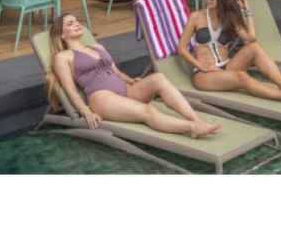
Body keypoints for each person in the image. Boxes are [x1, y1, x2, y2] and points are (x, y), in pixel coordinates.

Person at [46, 14, 221, 138]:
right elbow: (69, 89)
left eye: (77, 21)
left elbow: (117, 72)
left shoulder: (97, 47)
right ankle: (191, 127)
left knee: (159, 78)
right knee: (149, 111)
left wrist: (130, 80)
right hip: (101, 97)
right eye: (70, 23)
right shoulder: (63, 57)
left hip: (125, 90)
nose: (77, 24)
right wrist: (86, 111)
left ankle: (196, 120)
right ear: (62, 34)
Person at [177, 0, 281, 108]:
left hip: (227, 67)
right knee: (241, 76)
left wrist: (247, 10)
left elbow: (251, 38)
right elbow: (181, 49)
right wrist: (201, 66)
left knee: (254, 47)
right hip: (204, 74)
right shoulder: (196, 17)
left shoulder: (229, 18)